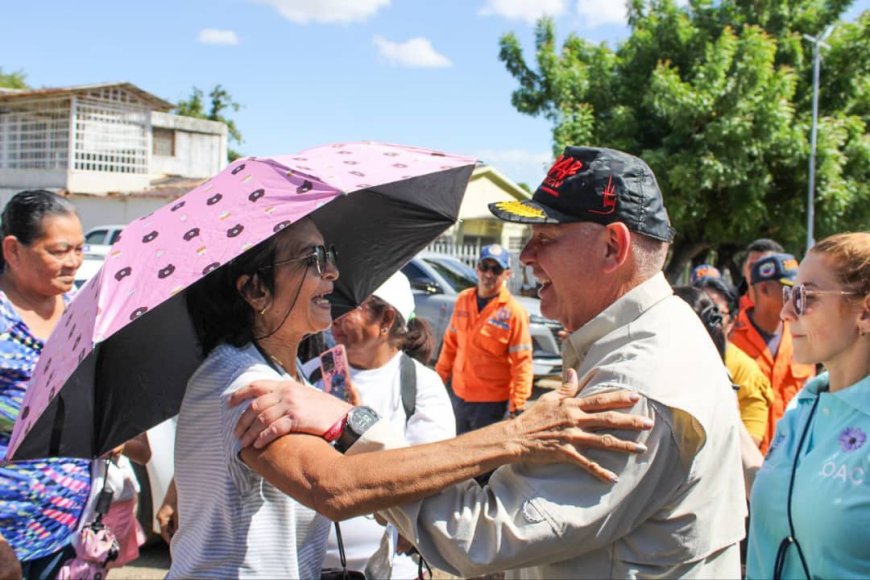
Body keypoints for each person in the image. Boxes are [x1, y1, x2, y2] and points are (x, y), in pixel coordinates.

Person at [251, 147, 748, 577]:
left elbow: (478, 534)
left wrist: (349, 425)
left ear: (613, 246)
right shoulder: (658, 336)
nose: (526, 256)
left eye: (546, 238)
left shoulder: (638, 381)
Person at [169, 215, 652, 579]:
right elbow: (335, 487)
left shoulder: (285, 373)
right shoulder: (242, 382)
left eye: (329, 254)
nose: (333, 274)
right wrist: (519, 434)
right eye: (312, 260)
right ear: (255, 290)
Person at [745, 232, 869, 579]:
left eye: (805, 297)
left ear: (866, 312)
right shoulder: (804, 405)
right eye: (789, 295)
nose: (786, 312)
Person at [319, 271, 455, 577]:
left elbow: (425, 481)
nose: (334, 316)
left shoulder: (420, 385)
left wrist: (359, 427)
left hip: (386, 569)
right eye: (333, 302)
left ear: (386, 319)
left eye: (348, 306)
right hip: (309, 564)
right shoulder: (316, 371)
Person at [0, 190, 90, 578]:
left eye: (80, 249)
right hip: (8, 537)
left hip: (67, 531)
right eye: (58, 251)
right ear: (13, 250)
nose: (72, 262)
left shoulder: (80, 313)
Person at [436, 244, 533, 433]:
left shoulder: (513, 312)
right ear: (477, 269)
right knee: (455, 454)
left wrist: (518, 404)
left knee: (483, 460)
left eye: (496, 269)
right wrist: (438, 380)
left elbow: (522, 363)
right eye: (484, 267)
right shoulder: (464, 299)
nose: (489, 274)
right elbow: (450, 345)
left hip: (491, 404)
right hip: (459, 395)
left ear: (507, 274)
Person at [730, 253, 815, 451]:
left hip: (790, 458)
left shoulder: (802, 337)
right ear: (765, 289)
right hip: (743, 460)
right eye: (789, 288)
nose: (796, 295)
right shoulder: (731, 337)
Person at [695, 276, 773, 446]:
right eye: (698, 311)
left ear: (732, 321)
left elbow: (751, 442)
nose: (703, 320)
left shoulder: (746, 372)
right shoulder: (668, 354)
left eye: (715, 312)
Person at [737, 238, 785, 314]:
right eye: (752, 266)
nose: (757, 272)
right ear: (744, 270)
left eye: (765, 267)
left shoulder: (791, 312)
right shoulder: (731, 310)